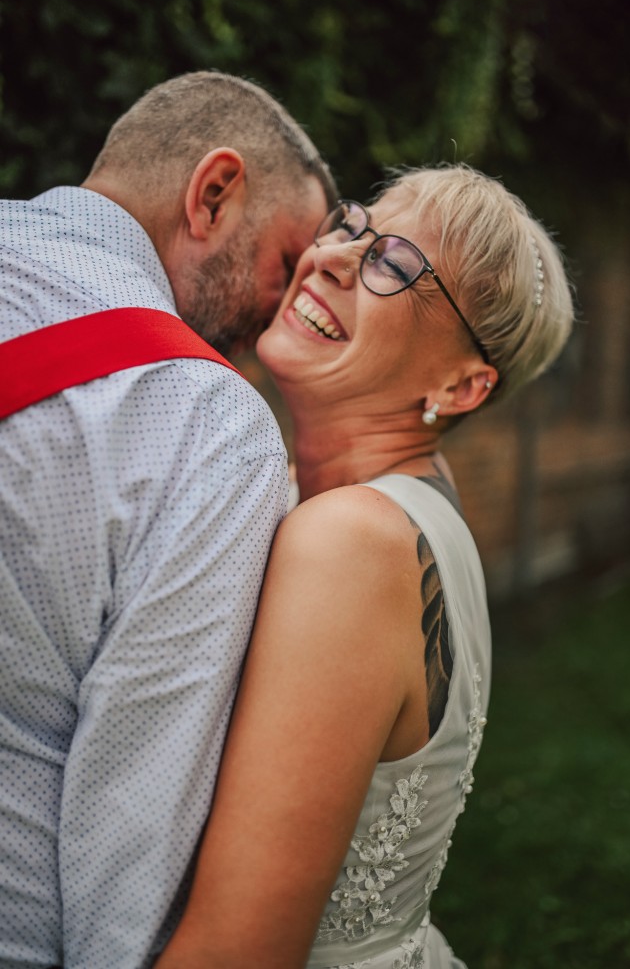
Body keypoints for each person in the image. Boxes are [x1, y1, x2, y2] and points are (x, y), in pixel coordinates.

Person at [155, 163, 574, 969]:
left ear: (461, 386)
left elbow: (236, 952)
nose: (334, 256)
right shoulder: (411, 505)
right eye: (354, 226)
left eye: (395, 266)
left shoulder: (354, 542)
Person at [0, 70, 335, 969]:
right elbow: (135, 815)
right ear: (214, 193)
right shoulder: (208, 423)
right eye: (285, 263)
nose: (281, 315)